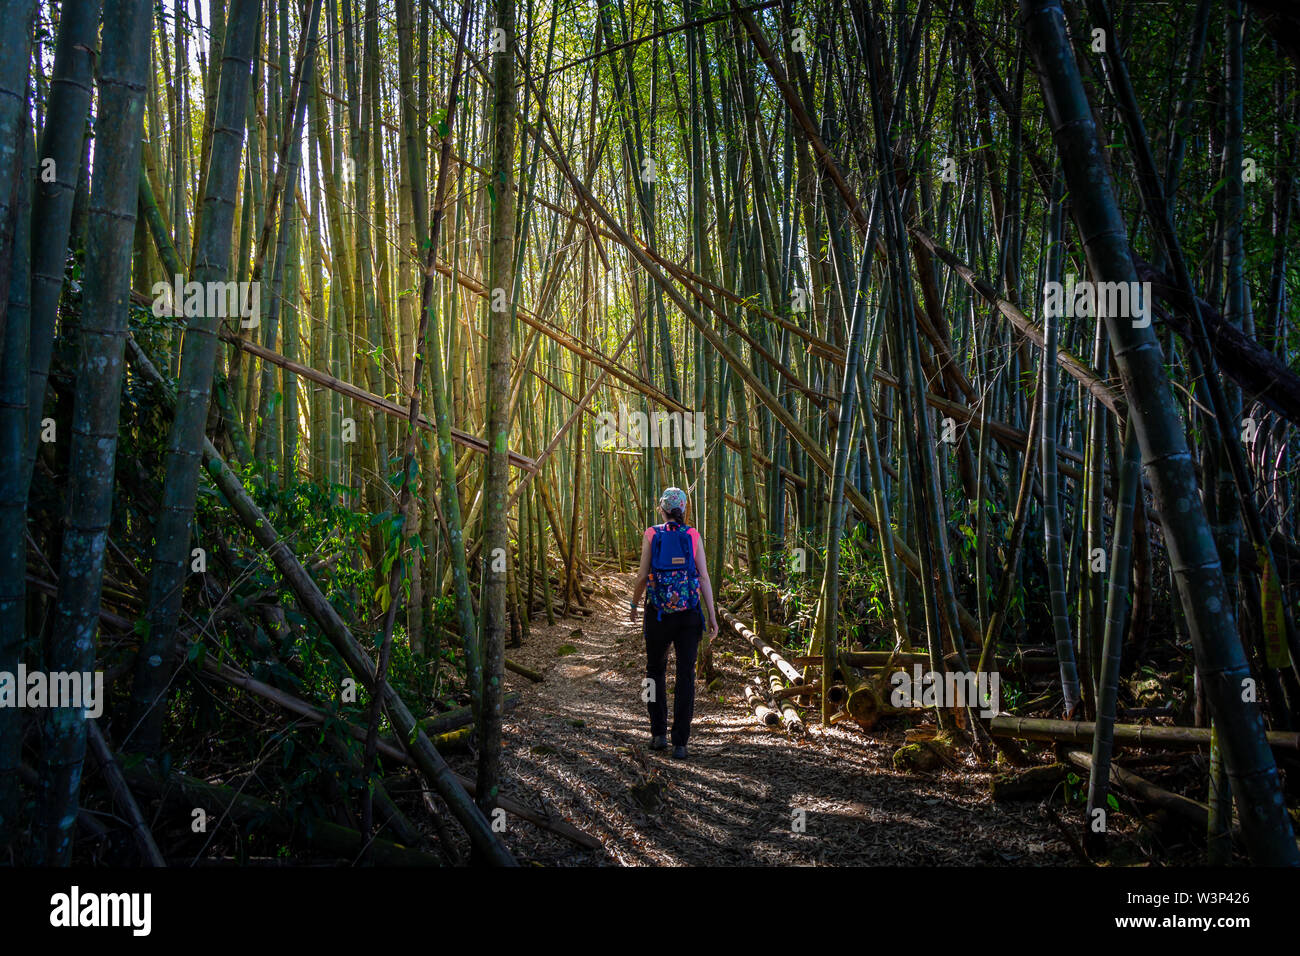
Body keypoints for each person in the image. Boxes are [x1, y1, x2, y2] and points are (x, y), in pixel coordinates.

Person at [630, 487, 718, 759]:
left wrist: (634, 604)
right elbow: (703, 577)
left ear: (662, 509)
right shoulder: (692, 534)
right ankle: (680, 742)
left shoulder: (652, 533)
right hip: (689, 615)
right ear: (684, 509)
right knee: (685, 676)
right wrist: (712, 615)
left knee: (654, 672)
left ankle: (657, 735)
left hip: (657, 613)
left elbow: (643, 575)